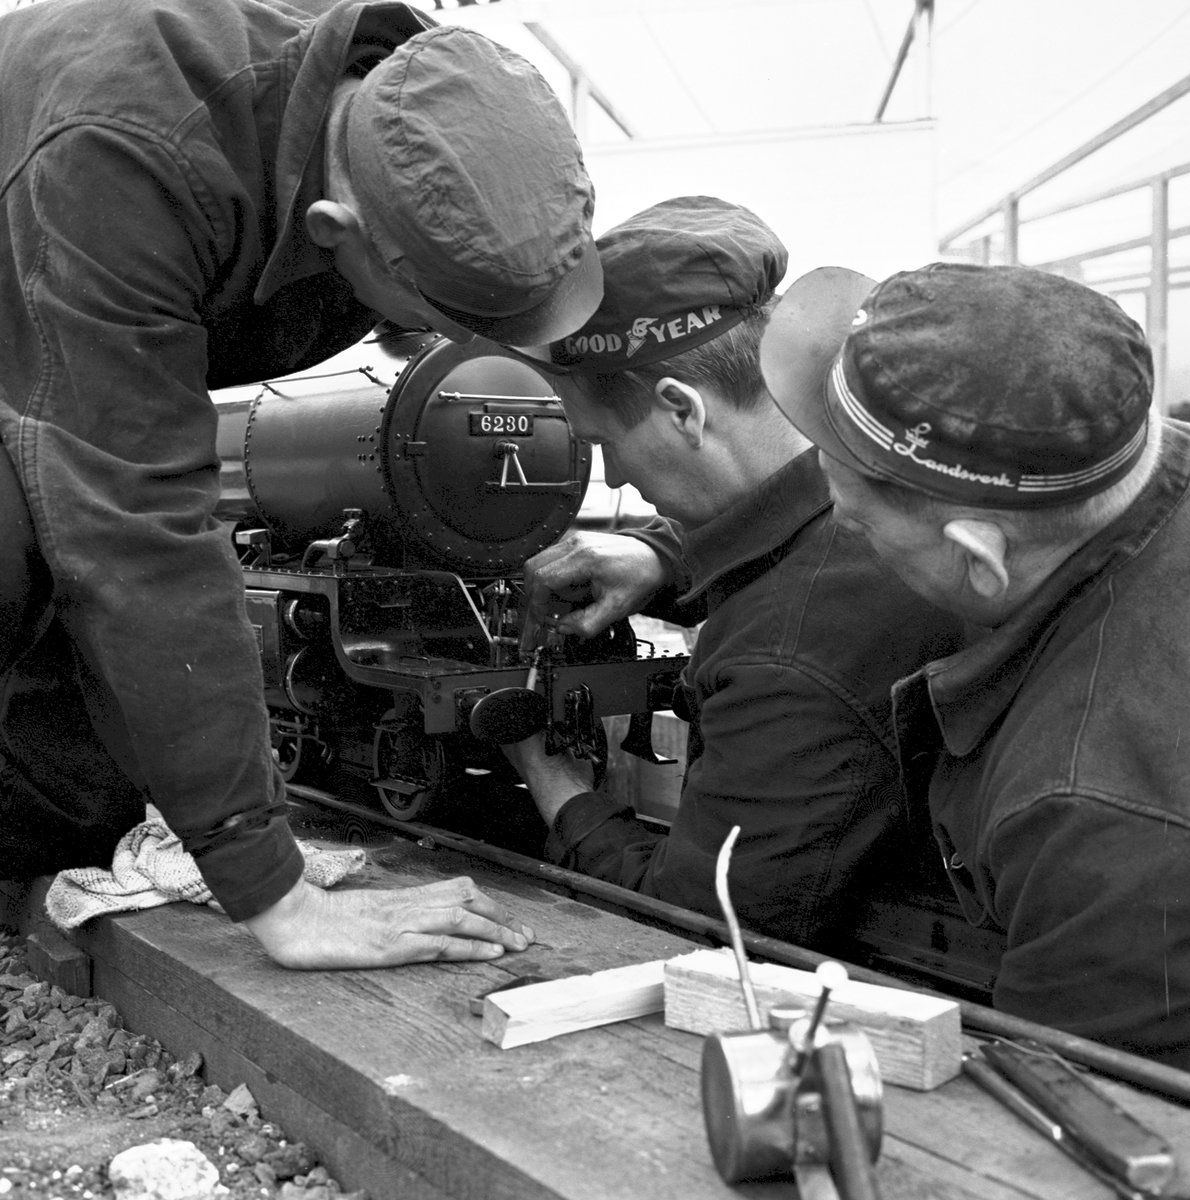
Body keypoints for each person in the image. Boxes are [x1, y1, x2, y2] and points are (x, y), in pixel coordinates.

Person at [0, 0, 606, 969]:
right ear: (334, 229)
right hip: (34, 282)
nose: (463, 348)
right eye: (445, 317)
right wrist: (271, 888)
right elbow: (136, 530)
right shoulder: (127, 160)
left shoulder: (420, 108)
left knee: (86, 791)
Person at [503, 197, 967, 949]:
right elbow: (781, 517)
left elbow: (700, 919)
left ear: (683, 411)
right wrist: (662, 553)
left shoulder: (787, 652)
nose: (614, 474)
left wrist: (553, 782)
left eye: (605, 442)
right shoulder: (886, 466)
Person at [761, 261, 1190, 1065]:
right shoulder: (1121, 461)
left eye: (858, 527)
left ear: (979, 561)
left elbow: (1081, 1112)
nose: (849, 538)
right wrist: (669, 558)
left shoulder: (1092, 817)